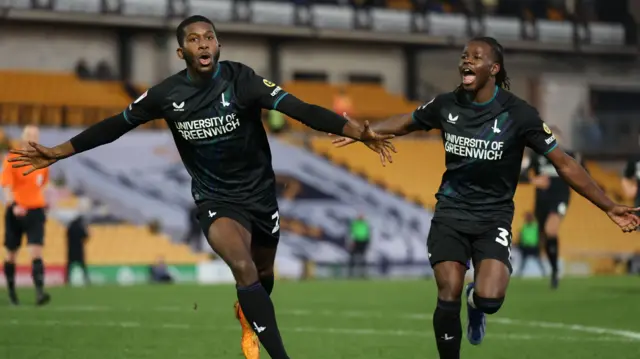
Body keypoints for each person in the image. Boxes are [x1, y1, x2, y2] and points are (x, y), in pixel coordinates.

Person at [8, 15, 393, 359]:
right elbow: (114, 125)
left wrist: (357, 131)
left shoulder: (242, 79)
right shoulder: (166, 95)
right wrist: (59, 151)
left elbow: (301, 110)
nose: (203, 43)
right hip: (215, 200)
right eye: (194, 39)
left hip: (260, 196)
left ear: (218, 45)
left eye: (209, 37)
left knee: (263, 276)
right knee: (243, 268)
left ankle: (247, 316)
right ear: (181, 51)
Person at [330, 36, 640, 359]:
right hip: (451, 213)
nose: (467, 61)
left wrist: (609, 206)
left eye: (476, 57)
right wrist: (368, 132)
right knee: (446, 294)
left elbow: (564, 163)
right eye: (464, 56)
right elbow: (408, 121)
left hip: (493, 218)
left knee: (490, 298)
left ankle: (474, 304)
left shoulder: (519, 115)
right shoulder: (447, 105)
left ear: (493, 69)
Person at [2, 125, 51, 306]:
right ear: (23, 138)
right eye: (29, 135)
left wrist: (43, 201)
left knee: (36, 251)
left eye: (35, 135)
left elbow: (43, 184)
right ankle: (12, 293)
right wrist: (14, 205)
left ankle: (39, 293)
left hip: (36, 211)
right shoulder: (12, 159)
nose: (32, 139)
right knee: (11, 254)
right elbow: (7, 185)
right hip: (15, 211)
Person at [528, 126, 582, 289]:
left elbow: (584, 174)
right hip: (542, 199)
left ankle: (555, 269)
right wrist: (535, 180)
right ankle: (554, 269)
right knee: (545, 235)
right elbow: (525, 174)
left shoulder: (569, 156)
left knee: (551, 229)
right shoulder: (537, 156)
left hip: (560, 197)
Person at [516, 212, 545, 277]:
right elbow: (521, 235)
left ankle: (544, 273)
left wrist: (541, 244)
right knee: (523, 261)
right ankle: (519, 273)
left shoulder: (536, 226)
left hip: (534, 246)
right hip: (526, 246)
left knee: (538, 261)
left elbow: (540, 236)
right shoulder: (524, 226)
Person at [347, 213, 371, 278]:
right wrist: (352, 241)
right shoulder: (355, 223)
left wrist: (368, 242)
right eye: (359, 216)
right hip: (356, 241)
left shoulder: (365, 223)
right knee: (352, 258)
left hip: (363, 242)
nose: (361, 217)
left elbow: (368, 233)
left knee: (363, 259)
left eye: (362, 216)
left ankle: (363, 274)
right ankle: (350, 274)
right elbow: (351, 232)